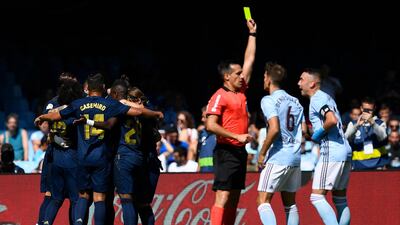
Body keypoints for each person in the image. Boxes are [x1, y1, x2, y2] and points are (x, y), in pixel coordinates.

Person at [34, 73, 163, 225]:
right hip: (103, 157)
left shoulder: (78, 104)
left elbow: (56, 116)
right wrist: (155, 113)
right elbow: (138, 112)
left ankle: (78, 222)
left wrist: (42, 117)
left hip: (82, 156)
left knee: (82, 195)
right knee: (101, 197)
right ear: (103, 87)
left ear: (87, 88)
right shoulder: (111, 104)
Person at [205, 18, 256, 225]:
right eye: (237, 74)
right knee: (223, 197)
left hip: (239, 152)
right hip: (226, 151)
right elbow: (210, 125)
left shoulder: (241, 91)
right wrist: (236, 136)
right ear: (226, 77)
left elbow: (250, 60)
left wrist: (252, 34)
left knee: (235, 198)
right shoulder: (220, 95)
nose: (241, 76)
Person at [298, 68, 352, 225]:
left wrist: (315, 136)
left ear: (312, 83)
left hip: (332, 150)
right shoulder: (327, 97)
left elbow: (332, 120)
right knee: (340, 199)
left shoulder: (317, 99)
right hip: (344, 150)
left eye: (301, 79)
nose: (298, 83)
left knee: (316, 197)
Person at [256, 62, 304, 225]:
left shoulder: (268, 100)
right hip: (295, 157)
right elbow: (304, 130)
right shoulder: (296, 101)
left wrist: (262, 153)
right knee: (289, 204)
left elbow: (274, 128)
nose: (262, 79)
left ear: (268, 79)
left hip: (278, 156)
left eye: (263, 76)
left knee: (263, 200)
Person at [345, 97, 388, 170]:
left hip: (378, 164)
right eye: (365, 109)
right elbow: (346, 138)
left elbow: (383, 137)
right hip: (358, 165)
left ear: (374, 108)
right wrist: (357, 126)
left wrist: (373, 123)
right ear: (361, 108)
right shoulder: (353, 124)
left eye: (370, 110)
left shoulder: (380, 123)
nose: (367, 112)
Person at [197, 106, 216, 172]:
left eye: (204, 117)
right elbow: (200, 154)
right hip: (203, 174)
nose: (202, 120)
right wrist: (197, 171)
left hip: (217, 174)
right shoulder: (201, 133)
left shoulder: (220, 134)